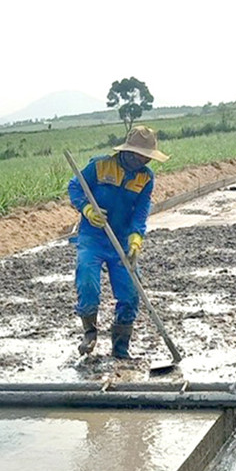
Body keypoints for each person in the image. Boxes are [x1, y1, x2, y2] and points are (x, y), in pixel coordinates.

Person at [67, 126, 169, 359]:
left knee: (130, 292)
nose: (143, 160)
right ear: (128, 152)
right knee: (87, 281)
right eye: (140, 155)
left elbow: (141, 211)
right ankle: (90, 332)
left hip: (121, 240)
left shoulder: (146, 177)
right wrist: (87, 209)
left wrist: (136, 237)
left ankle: (121, 348)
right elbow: (75, 186)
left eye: (147, 157)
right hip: (93, 238)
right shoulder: (100, 166)